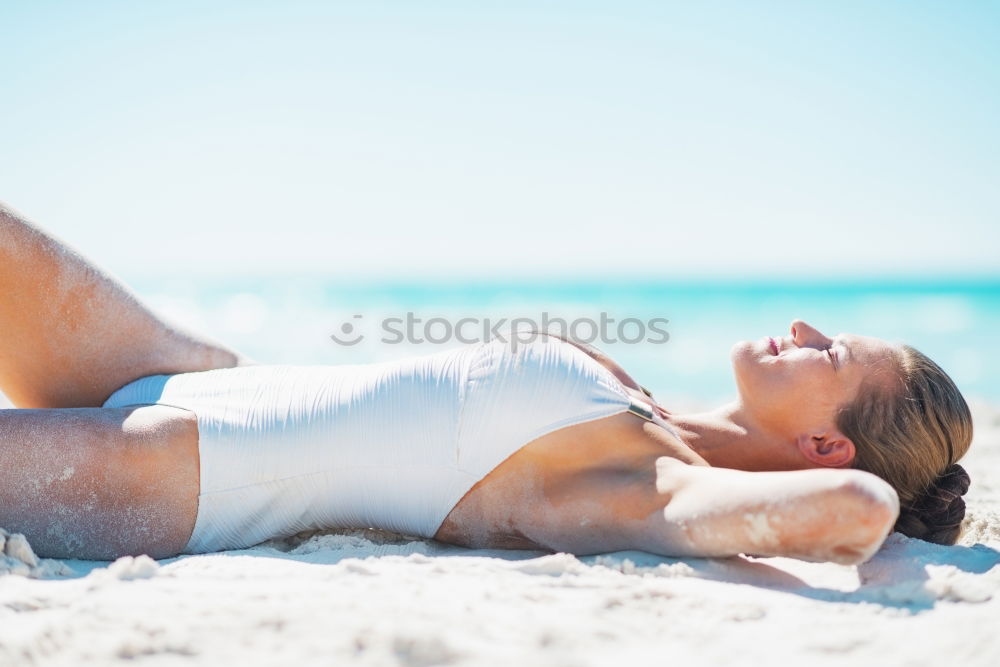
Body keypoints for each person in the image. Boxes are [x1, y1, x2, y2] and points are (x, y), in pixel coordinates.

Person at [0, 202, 973, 564]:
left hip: (181, 471)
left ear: (821, 443)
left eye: (829, 354)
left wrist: (885, 513)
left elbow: (856, 504)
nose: (802, 329)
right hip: (186, 371)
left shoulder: (654, 486)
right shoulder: (634, 400)